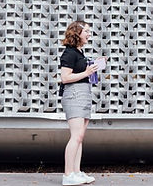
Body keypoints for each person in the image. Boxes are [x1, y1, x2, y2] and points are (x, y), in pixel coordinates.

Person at [59, 20, 106, 186]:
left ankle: (76, 172)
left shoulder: (79, 52)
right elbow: (65, 78)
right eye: (86, 31)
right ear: (77, 33)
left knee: (80, 137)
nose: (89, 34)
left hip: (83, 93)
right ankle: (68, 174)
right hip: (74, 94)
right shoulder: (69, 53)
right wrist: (86, 72)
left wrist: (94, 66)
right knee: (76, 136)